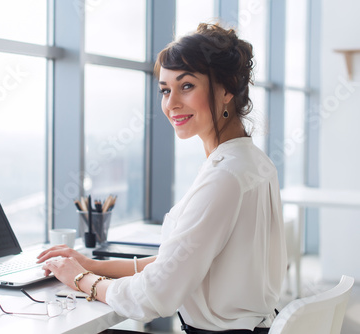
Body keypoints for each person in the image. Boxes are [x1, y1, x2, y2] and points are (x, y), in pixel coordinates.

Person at [37, 23, 287, 334]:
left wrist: (78, 279)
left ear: (227, 89)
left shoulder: (225, 176)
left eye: (186, 86)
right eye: (165, 90)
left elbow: (154, 299)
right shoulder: (252, 162)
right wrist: (93, 266)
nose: (170, 104)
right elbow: (180, 261)